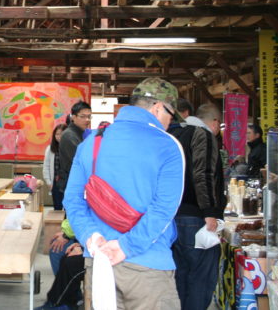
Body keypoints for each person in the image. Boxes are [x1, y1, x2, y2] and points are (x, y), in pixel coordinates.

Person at [65, 77, 185, 309]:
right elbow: (164, 208)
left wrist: (90, 237)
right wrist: (125, 247)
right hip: (148, 265)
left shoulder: (91, 142)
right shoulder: (167, 145)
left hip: (99, 262)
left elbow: (72, 200)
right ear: (158, 108)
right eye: (171, 115)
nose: (169, 122)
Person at [169, 103, 226, 310]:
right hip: (196, 217)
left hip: (171, 217)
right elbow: (203, 174)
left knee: (180, 276)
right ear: (215, 123)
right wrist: (210, 211)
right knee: (201, 277)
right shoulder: (203, 135)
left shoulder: (174, 133)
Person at [35, 241, 86, 310]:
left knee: (71, 263)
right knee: (65, 257)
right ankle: (55, 302)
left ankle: (61, 304)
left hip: (98, 258)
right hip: (92, 248)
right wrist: (80, 245)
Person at [57, 101, 91, 198]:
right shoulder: (69, 136)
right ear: (73, 117)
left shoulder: (82, 133)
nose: (87, 120)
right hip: (72, 185)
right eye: (83, 116)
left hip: (77, 183)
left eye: (89, 116)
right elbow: (81, 161)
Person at [43, 124, 66, 210]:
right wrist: (49, 182)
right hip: (55, 183)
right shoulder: (50, 149)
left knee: (68, 208)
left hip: (67, 182)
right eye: (57, 134)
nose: (59, 136)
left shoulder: (70, 147)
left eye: (62, 134)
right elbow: (46, 167)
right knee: (57, 207)